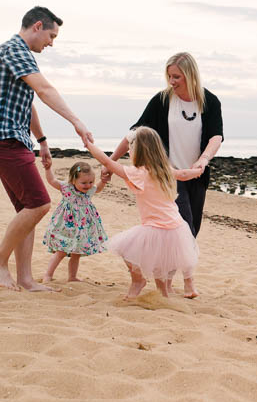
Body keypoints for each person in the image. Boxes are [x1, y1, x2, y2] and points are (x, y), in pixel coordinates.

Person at [0, 6, 93, 292]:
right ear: (37, 26)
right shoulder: (15, 49)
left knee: (25, 208)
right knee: (40, 203)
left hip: (11, 138)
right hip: (1, 136)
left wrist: (42, 142)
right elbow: (44, 90)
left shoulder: (21, 55)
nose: (51, 43)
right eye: (51, 35)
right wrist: (76, 121)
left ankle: (26, 279)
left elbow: (28, 103)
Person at [106, 52, 223, 237]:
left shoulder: (210, 101)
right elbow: (135, 132)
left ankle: (169, 265)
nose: (171, 81)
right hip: (169, 175)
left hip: (197, 176)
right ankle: (174, 266)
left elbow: (216, 137)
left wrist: (203, 160)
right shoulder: (162, 100)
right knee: (184, 231)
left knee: (192, 232)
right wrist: (111, 161)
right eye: (169, 76)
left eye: (176, 76)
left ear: (190, 75)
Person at [86, 127, 201, 299]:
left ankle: (138, 280)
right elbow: (184, 174)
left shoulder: (137, 173)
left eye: (131, 148)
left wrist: (88, 144)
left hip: (155, 228)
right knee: (161, 265)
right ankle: (164, 294)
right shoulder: (165, 171)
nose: (129, 151)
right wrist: (198, 170)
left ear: (138, 151)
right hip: (176, 227)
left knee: (125, 249)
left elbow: (107, 162)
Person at [41, 161, 111, 283]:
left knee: (76, 252)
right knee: (61, 251)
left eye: (90, 182)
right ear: (73, 180)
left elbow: (98, 188)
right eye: (83, 183)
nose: (88, 185)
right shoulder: (66, 187)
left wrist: (104, 181)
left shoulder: (89, 191)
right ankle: (48, 275)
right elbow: (52, 181)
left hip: (82, 227)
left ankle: (72, 276)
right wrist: (48, 168)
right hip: (66, 226)